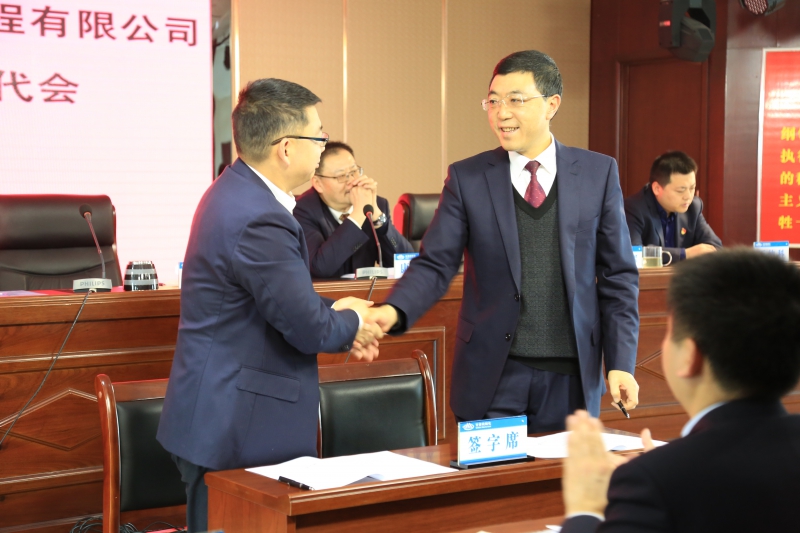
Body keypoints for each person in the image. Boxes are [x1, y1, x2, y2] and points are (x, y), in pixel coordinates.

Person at [369, 50, 641, 433]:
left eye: (515, 100)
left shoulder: (598, 173)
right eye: (493, 102)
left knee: (563, 474)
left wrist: (620, 363)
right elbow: (435, 264)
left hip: (571, 380)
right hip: (492, 377)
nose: (501, 113)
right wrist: (394, 310)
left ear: (551, 104)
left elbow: (618, 278)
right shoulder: (467, 178)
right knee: (491, 474)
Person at [156, 78, 382, 532]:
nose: (322, 147)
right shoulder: (259, 215)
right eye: (318, 136)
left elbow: (272, 298)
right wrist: (352, 321)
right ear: (286, 148)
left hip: (227, 415)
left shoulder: (238, 191)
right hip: (239, 425)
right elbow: (307, 328)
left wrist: (337, 310)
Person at [561, 248, 800, 533]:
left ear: (689, 355)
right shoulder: (662, 476)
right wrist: (668, 466)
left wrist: (585, 507)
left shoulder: (654, 482)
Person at [294, 141, 414, 278]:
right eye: (341, 176)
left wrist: (377, 216)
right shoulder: (302, 210)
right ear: (317, 183)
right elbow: (319, 268)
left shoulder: (376, 204)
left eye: (354, 172)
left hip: (367, 290)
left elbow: (406, 262)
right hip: (326, 292)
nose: (351, 181)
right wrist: (358, 215)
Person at [625, 151, 721, 263]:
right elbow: (633, 254)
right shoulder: (633, 208)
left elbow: (715, 247)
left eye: (692, 188)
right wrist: (684, 254)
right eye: (680, 190)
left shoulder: (693, 207)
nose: (688, 196)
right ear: (657, 188)